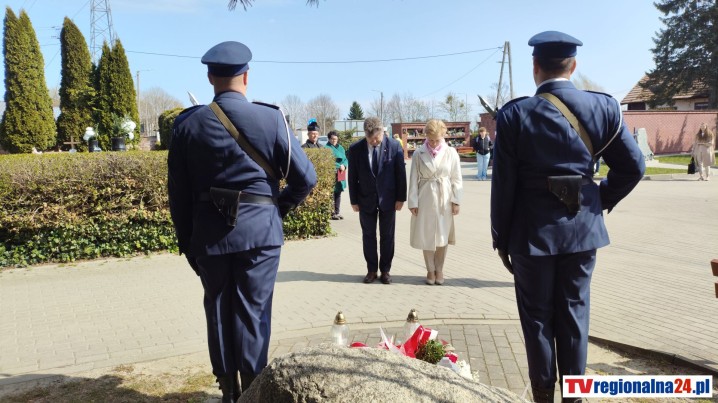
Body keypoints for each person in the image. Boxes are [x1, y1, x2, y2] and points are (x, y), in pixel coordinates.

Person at [490, 31, 645, 403]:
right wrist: (597, 199)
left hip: (531, 236)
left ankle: (543, 396)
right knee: (575, 315)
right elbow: (633, 166)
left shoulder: (514, 115)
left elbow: (504, 187)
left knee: (537, 319)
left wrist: (501, 239)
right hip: (582, 233)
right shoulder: (604, 108)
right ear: (573, 66)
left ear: (535, 67)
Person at [167, 41, 317, 402]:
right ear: (246, 76)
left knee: (217, 309)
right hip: (260, 233)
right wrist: (276, 209)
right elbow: (307, 179)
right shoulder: (272, 119)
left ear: (209, 77)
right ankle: (252, 389)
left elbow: (178, 195)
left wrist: (188, 243)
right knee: (254, 311)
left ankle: (229, 392)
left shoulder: (187, 125)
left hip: (209, 236)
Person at [348, 117, 407, 284]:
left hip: (389, 199)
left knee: (387, 235)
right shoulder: (355, 149)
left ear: (382, 132)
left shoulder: (394, 146)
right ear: (365, 135)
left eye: (377, 138)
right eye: (370, 138)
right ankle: (371, 270)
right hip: (365, 200)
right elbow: (352, 177)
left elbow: (400, 174)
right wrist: (353, 200)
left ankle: (386, 270)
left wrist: (401, 198)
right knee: (368, 236)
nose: (374, 141)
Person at [407, 119, 462, 285]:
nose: (433, 143)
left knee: (442, 235)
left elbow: (456, 178)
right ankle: (430, 269)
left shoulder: (451, 152)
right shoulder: (418, 153)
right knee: (427, 235)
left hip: (444, 198)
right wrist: (413, 202)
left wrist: (456, 201)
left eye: (437, 140)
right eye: (430, 140)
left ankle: (440, 268)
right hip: (425, 197)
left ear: (443, 136)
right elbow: (413, 179)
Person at [326, 130, 348, 219]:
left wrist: (344, 165)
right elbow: (328, 160)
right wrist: (339, 165)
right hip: (332, 172)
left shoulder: (341, 148)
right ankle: (332, 213)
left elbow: (345, 159)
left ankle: (337, 212)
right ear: (329, 139)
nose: (334, 140)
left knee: (338, 192)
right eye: (332, 139)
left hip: (340, 172)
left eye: (335, 139)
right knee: (331, 193)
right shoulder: (326, 148)